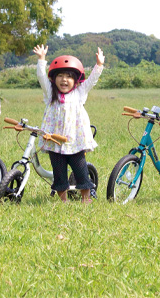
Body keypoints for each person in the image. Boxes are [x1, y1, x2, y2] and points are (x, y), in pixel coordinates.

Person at [34, 44, 104, 203]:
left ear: (76, 80)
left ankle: (86, 199)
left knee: (81, 172)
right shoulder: (51, 93)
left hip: (75, 142)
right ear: (53, 78)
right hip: (54, 142)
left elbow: (92, 81)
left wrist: (99, 65)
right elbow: (41, 77)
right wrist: (41, 60)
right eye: (60, 76)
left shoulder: (80, 93)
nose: (64, 80)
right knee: (59, 174)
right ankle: (63, 202)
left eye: (69, 76)